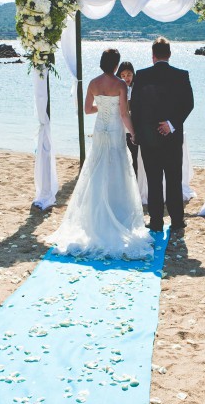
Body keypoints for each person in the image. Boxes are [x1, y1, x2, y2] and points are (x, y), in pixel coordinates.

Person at [47, 49, 154, 260]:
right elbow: (124, 113)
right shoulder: (121, 85)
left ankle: (93, 217)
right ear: (115, 65)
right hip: (114, 130)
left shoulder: (93, 83)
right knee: (116, 169)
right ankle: (116, 213)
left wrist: (103, 107)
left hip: (99, 130)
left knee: (97, 168)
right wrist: (133, 133)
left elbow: (87, 109)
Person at [131, 37, 194, 234]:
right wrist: (171, 124)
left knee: (154, 181)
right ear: (169, 54)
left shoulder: (141, 75)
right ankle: (177, 222)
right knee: (174, 180)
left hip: (149, 139)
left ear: (153, 56)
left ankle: (156, 221)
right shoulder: (181, 75)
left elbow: (136, 107)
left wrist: (140, 133)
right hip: (172, 138)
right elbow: (188, 104)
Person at [117, 61, 139, 176]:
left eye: (129, 74)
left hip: (132, 126)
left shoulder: (136, 88)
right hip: (120, 126)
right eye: (123, 75)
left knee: (134, 157)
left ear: (133, 74)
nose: (126, 78)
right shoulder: (116, 89)